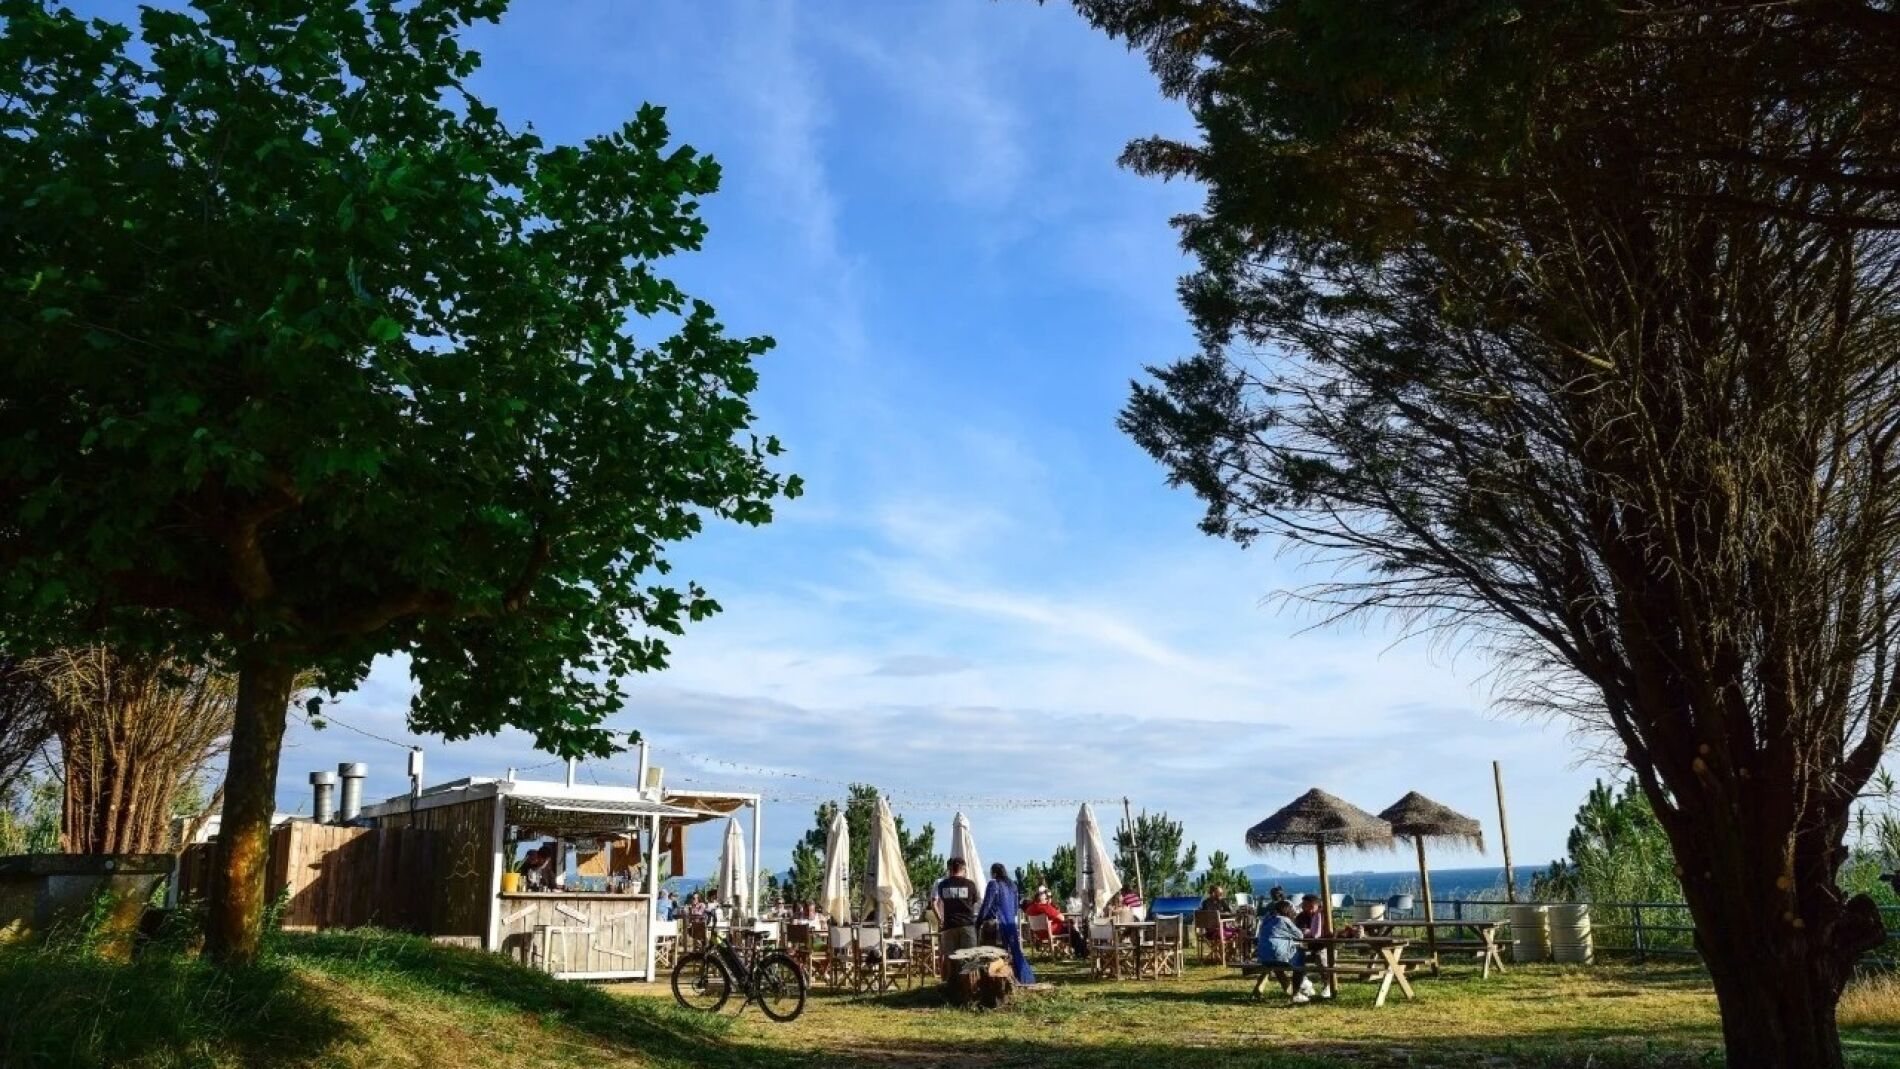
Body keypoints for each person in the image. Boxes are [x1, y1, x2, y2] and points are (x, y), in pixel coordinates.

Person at [976, 863, 1036, 984]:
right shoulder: (1012, 886)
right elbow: (1015, 908)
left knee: (993, 955)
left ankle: (994, 981)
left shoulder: (993, 884)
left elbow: (986, 905)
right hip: (1010, 925)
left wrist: (978, 922)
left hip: (995, 925)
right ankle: (1022, 978)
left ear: (994, 873)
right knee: (1014, 952)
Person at [1256, 899, 1312, 1004]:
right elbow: (1300, 935)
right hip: (1277, 956)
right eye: (1291, 909)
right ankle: (1296, 994)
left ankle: (1290, 989)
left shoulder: (1266, 920)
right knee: (1300, 960)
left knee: (1276, 963)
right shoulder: (1284, 920)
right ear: (1287, 910)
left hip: (1263, 957)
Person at [934, 856, 981, 979]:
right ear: (963, 869)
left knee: (950, 958)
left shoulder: (943, 885)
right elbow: (974, 901)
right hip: (967, 925)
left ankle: (951, 984)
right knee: (969, 958)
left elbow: (938, 901)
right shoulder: (970, 884)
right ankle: (969, 985)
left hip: (949, 925)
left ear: (950, 869)